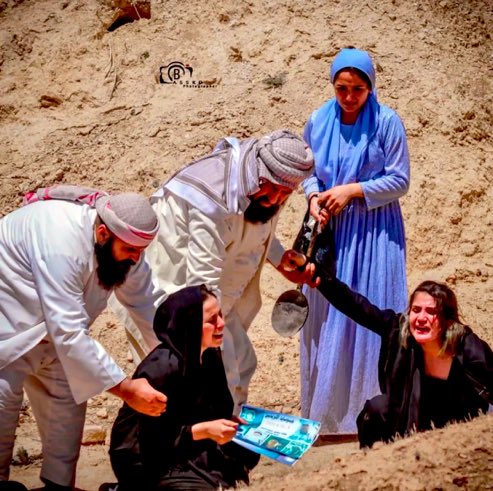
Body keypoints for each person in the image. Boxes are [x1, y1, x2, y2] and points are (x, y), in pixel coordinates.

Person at [110, 129, 318, 413]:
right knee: (177, 387)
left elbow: (253, 224)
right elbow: (202, 281)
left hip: (215, 305)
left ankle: (219, 447)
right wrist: (211, 346)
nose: (276, 199)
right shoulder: (211, 198)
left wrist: (280, 258)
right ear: (258, 172)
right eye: (272, 188)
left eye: (286, 193)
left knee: (240, 364)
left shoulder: (262, 185)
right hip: (170, 302)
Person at [0, 185, 168, 490]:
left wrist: (176, 359)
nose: (135, 258)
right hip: (7, 329)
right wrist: (126, 389)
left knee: (66, 415)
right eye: (130, 250)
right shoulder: (61, 242)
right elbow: (69, 330)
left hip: (53, 336)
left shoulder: (126, 249)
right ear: (103, 233)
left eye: (141, 251)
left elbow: (146, 306)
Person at [300, 47, 411, 434]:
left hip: (374, 232)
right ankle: (330, 413)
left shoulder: (387, 123)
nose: (349, 97)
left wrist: (353, 190)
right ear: (333, 85)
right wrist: (315, 197)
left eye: (358, 89)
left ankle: (374, 405)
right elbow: (306, 171)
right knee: (327, 315)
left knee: (369, 314)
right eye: (342, 88)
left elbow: (400, 180)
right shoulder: (317, 121)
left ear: (371, 87)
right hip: (331, 232)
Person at [105, 285, 259, 491]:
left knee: (246, 450)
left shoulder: (209, 355)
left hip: (188, 442)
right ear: (191, 326)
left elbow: (214, 408)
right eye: (211, 320)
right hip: (146, 455)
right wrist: (205, 430)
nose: (221, 324)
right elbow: (153, 439)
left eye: (220, 315)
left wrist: (228, 423)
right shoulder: (162, 368)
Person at [316, 271, 493, 448]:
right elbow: (357, 306)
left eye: (431, 312)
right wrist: (317, 277)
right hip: (407, 432)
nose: (421, 318)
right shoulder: (398, 331)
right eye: (416, 310)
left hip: (456, 440)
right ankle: (373, 465)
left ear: (447, 320)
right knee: (377, 407)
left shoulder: (467, 347)